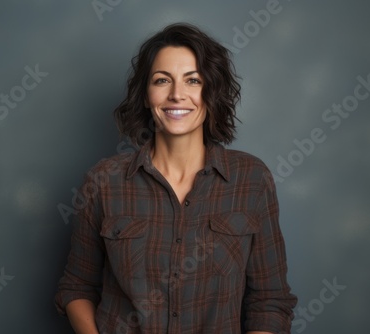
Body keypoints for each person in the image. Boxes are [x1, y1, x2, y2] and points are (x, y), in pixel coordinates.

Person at [55, 23, 297, 334]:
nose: (177, 95)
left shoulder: (251, 180)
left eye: (193, 80)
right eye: (162, 80)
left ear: (211, 92)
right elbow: (76, 287)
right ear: (145, 95)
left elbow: (270, 301)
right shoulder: (103, 181)